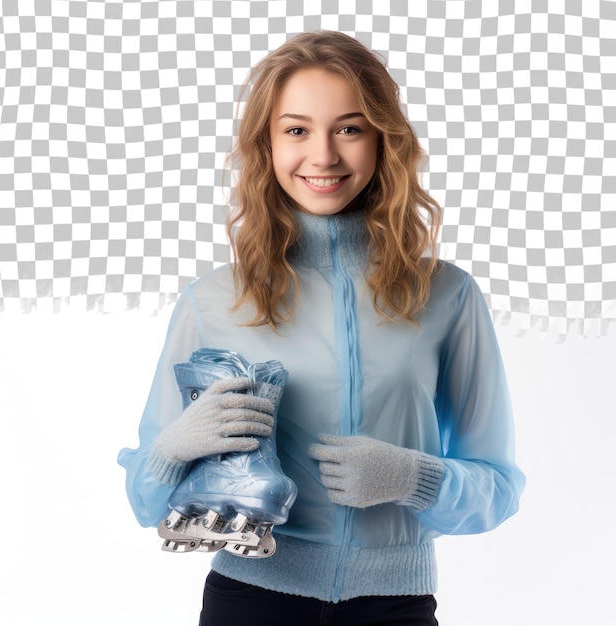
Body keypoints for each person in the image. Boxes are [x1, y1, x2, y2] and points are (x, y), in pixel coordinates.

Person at [118, 31, 525, 626]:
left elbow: (500, 488)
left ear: (384, 141)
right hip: (248, 602)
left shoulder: (448, 294)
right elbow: (144, 501)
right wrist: (172, 449)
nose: (324, 156)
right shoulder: (212, 298)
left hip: (396, 606)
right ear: (268, 144)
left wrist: (413, 476)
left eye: (350, 128)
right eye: (297, 129)